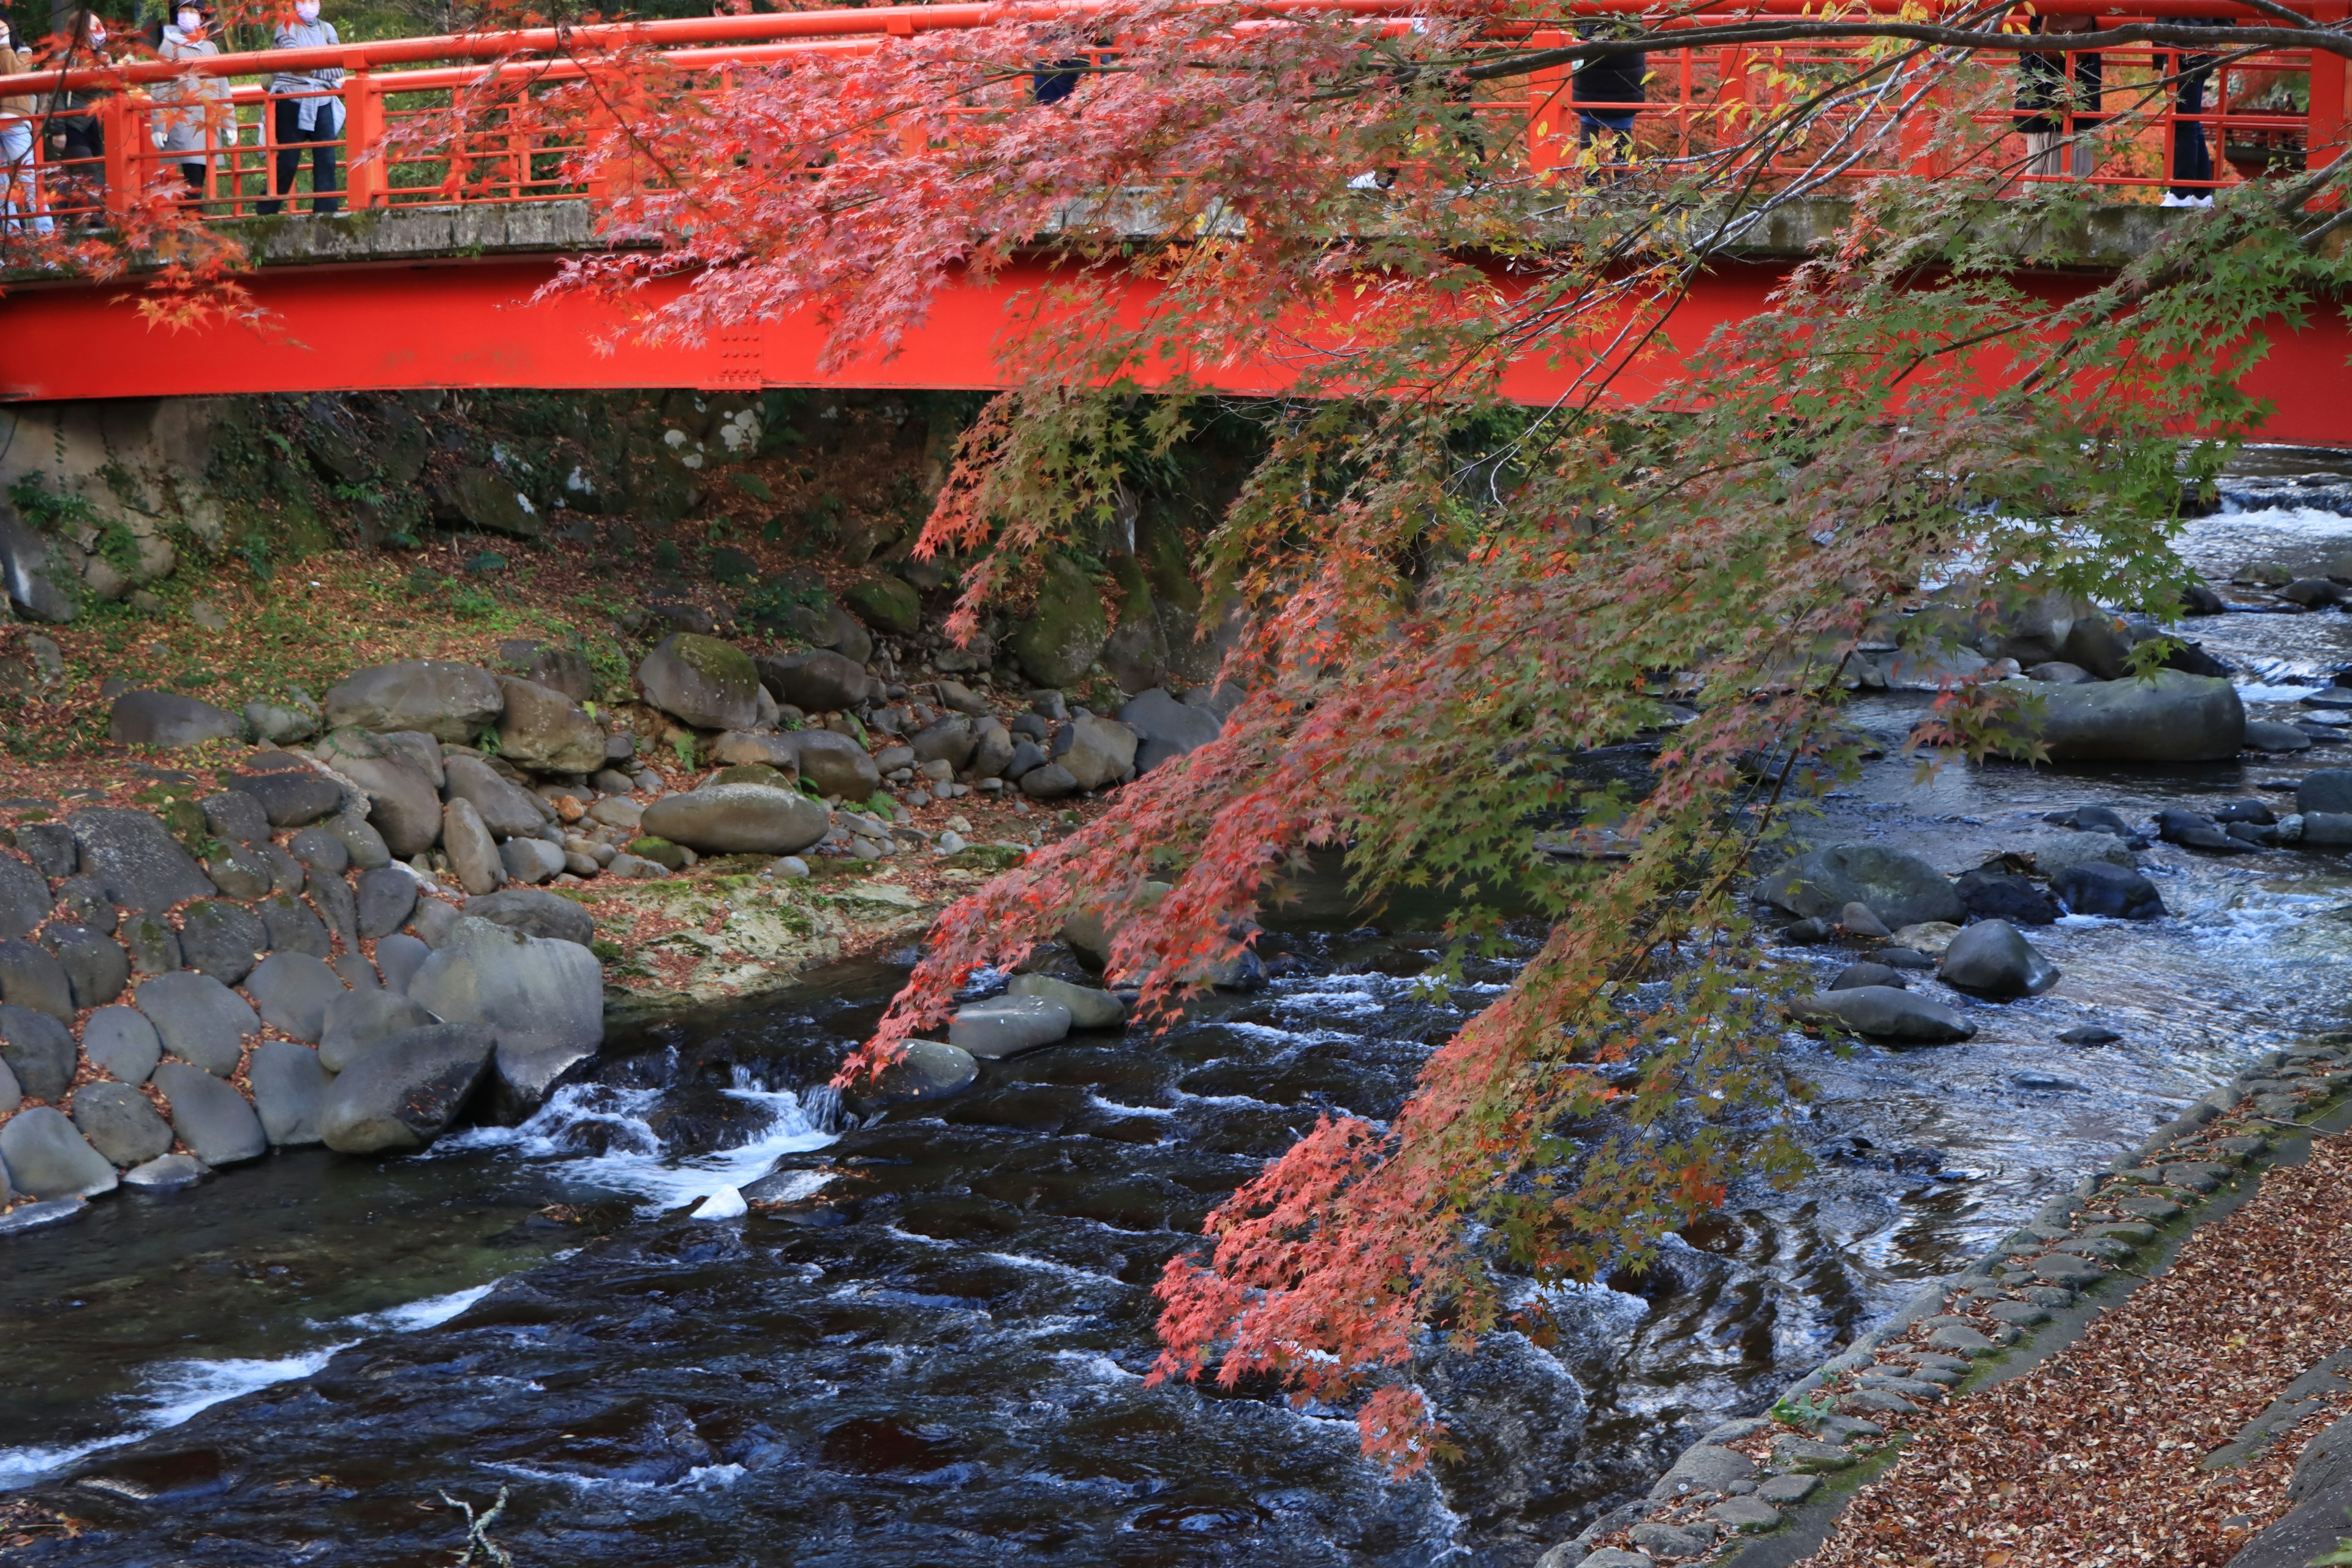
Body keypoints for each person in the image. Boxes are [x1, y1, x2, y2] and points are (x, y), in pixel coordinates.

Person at [258, 0, 342, 214]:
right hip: (291, 98)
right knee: (288, 158)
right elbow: (295, 64)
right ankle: (267, 211)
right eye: (303, 1)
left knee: (326, 158)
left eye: (313, 1)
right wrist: (319, 68)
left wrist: (311, 71)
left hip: (322, 99)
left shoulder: (327, 30)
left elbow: (338, 69)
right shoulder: (286, 27)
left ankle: (327, 212)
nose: (309, 5)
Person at [155, 2, 231, 201]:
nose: (187, 16)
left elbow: (223, 85)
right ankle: (194, 220)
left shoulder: (210, 47)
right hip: (184, 120)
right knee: (193, 174)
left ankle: (191, 219)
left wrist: (229, 122)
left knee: (200, 173)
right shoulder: (169, 45)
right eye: (183, 11)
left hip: (209, 120)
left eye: (192, 11)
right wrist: (159, 126)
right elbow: (160, 87)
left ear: (201, 18)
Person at [2015, 13, 2103, 181]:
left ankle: (2041, 197)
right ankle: (2074, 196)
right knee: (2076, 167)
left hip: (2042, 87)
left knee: (2041, 171)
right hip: (2080, 81)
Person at [43, 10, 111, 205]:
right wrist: (58, 130)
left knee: (83, 175)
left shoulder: (104, 59)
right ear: (82, 30)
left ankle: (74, 219)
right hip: (70, 125)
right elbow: (57, 94)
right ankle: (95, 221)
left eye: (102, 26)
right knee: (87, 171)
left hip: (93, 125)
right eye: (95, 26)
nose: (101, 30)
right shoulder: (69, 58)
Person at [2163, 17, 2232, 206]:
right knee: (2191, 123)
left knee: (2185, 123)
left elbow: (2183, 15)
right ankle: (2201, 194)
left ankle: (2181, 193)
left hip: (2187, 53)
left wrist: (2169, 54)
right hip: (2196, 50)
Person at [0, 21, 53, 234]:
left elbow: (14, 74)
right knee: (0, 187)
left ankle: (46, 236)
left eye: (2, 28)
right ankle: (10, 239)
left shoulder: (23, 52)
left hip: (15, 119)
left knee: (30, 179)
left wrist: (4, 44)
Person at [1571, 37, 1646, 178]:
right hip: (1627, 77)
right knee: (1623, 128)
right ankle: (1619, 180)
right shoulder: (1634, 23)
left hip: (1589, 79)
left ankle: (1591, 179)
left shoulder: (1587, 22)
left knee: (1589, 124)